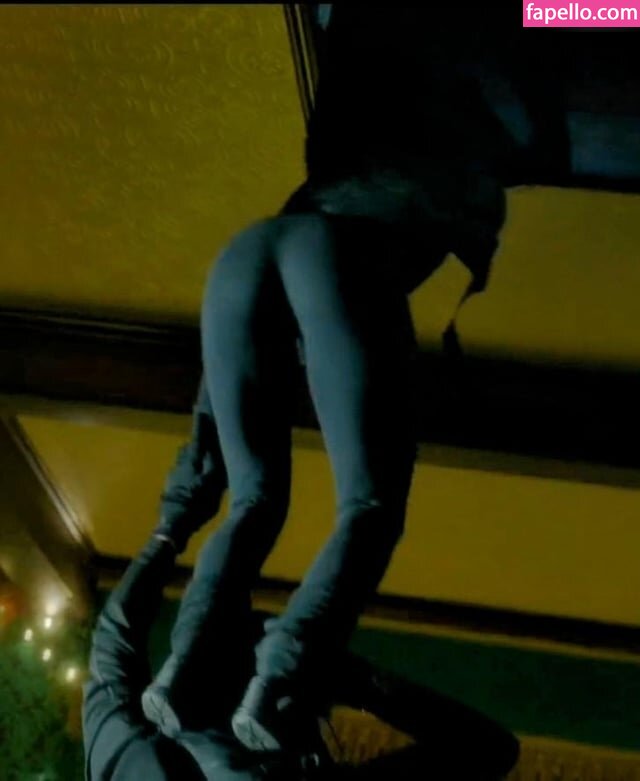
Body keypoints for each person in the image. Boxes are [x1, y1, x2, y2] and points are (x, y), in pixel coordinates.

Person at [83, 402, 520, 780]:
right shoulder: (115, 765)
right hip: (212, 655)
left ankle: (270, 673)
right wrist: (171, 531)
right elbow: (111, 644)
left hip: (269, 684)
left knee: (368, 512)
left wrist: (347, 679)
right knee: (261, 503)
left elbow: (489, 750)